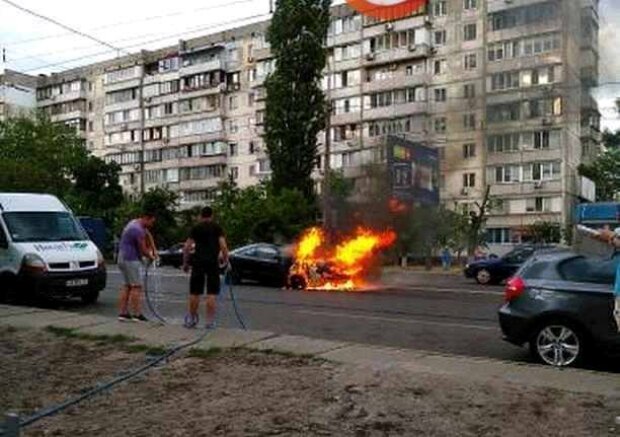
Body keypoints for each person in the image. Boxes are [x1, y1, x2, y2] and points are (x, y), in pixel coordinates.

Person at [182, 206, 229, 329]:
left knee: (195, 292)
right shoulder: (217, 228)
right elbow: (223, 246)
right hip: (212, 263)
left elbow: (187, 247)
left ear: (201, 216)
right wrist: (226, 260)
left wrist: (186, 263)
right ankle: (209, 322)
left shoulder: (196, 228)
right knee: (211, 293)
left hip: (198, 262)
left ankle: (192, 319)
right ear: (212, 215)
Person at [117, 211, 157, 322]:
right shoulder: (137, 230)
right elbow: (143, 249)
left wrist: (154, 248)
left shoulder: (134, 223)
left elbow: (148, 234)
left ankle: (123, 313)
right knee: (136, 286)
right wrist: (151, 257)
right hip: (130, 259)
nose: (151, 225)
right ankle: (137, 314)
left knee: (127, 285)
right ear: (146, 218)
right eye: (151, 222)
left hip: (122, 257)